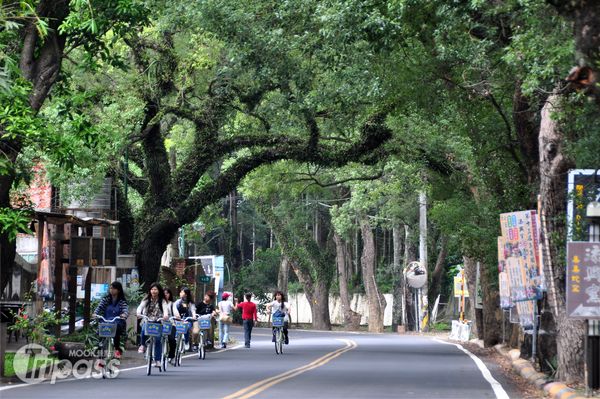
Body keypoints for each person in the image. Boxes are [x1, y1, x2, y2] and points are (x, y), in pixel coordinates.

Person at [136, 282, 168, 368]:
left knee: (158, 340)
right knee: (143, 329)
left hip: (158, 321)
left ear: (159, 291)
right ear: (150, 290)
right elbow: (140, 306)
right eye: (152, 289)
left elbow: (165, 309)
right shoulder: (146, 299)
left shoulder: (162, 300)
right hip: (147, 320)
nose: (153, 291)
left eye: (155, 289)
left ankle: (157, 360)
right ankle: (142, 345)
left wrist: (165, 315)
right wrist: (138, 313)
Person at [93, 281, 128, 359]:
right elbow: (99, 307)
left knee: (116, 332)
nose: (112, 290)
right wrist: (95, 313)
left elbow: (125, 310)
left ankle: (117, 349)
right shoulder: (106, 299)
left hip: (117, 321)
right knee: (101, 331)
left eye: (114, 288)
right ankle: (100, 347)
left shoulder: (122, 301)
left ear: (118, 290)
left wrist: (124, 314)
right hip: (106, 320)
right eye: (111, 288)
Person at [174, 287, 197, 351]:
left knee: (187, 327)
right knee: (176, 327)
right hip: (178, 319)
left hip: (187, 319)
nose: (180, 293)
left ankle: (186, 341)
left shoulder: (190, 303)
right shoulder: (178, 302)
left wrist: (194, 315)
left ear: (186, 294)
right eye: (180, 292)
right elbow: (174, 308)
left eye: (182, 292)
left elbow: (193, 310)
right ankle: (176, 338)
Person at [163, 288, 180, 363]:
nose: (165, 294)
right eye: (164, 293)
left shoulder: (172, 304)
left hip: (171, 323)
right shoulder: (158, 302)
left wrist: (177, 316)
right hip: (160, 323)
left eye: (167, 293)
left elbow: (175, 311)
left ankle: (171, 356)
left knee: (172, 339)